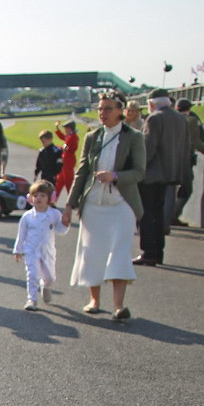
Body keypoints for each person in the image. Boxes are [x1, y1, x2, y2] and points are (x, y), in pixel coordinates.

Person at [62, 91, 145, 320]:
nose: (102, 113)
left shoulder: (134, 137)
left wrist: (115, 175)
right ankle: (94, 300)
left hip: (121, 204)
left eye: (108, 109)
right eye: (100, 109)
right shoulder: (92, 137)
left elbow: (139, 172)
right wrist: (69, 205)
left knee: (119, 253)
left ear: (121, 111)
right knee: (92, 253)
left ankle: (119, 306)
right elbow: (82, 172)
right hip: (94, 204)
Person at [134, 88, 190, 266]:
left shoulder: (154, 118)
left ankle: (148, 252)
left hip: (152, 175)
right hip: (170, 173)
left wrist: (137, 169)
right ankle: (158, 252)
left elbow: (148, 149)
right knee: (158, 214)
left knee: (147, 215)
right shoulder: (181, 118)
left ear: (151, 104)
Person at [12, 180, 68, 311]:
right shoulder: (27, 216)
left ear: (50, 198)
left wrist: (65, 223)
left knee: (49, 276)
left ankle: (46, 286)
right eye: (36, 195)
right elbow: (21, 234)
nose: (39, 198)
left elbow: (60, 230)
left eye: (43, 195)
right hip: (31, 250)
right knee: (32, 274)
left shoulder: (54, 214)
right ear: (30, 198)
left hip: (47, 251)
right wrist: (18, 250)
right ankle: (32, 299)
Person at [172, 97, 204, 226]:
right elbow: (195, 141)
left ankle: (168, 215)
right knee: (187, 189)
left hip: (169, 160)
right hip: (185, 160)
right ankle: (173, 214)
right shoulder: (191, 120)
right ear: (189, 109)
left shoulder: (171, 119)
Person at [53, 119, 80, 202]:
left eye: (65, 128)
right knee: (60, 180)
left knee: (68, 181)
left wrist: (60, 147)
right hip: (65, 160)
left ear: (69, 128)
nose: (65, 130)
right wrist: (57, 128)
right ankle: (54, 199)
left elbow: (68, 147)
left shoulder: (73, 136)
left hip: (68, 161)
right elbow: (63, 137)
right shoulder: (70, 135)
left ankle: (72, 200)